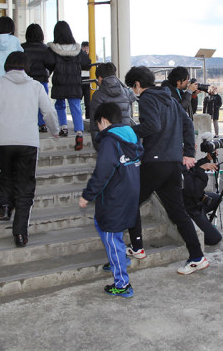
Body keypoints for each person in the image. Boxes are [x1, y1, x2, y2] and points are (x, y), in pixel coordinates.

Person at [124, 66, 209, 275]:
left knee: (130, 201)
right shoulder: (169, 98)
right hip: (172, 164)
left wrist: (127, 130)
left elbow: (151, 126)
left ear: (137, 84)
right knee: (178, 212)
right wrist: (188, 152)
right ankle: (197, 257)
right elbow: (188, 124)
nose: (133, 91)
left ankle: (137, 248)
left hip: (155, 163)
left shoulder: (146, 99)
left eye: (132, 87)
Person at [0, 51, 60, 247]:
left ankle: (4, 205)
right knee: (25, 186)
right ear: (26, 66)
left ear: (7, 65)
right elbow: (49, 111)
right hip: (27, 141)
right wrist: (55, 130)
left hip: (3, 140)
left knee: (6, 174)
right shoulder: (35, 86)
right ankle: (20, 233)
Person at [79, 102, 142, 298]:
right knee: (108, 229)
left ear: (104, 121)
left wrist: (87, 195)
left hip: (115, 196)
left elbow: (102, 173)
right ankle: (121, 259)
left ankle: (122, 284)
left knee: (110, 235)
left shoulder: (109, 141)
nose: (98, 128)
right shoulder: (131, 136)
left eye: (97, 124)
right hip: (129, 193)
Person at [45, 21, 91, 150]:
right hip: (74, 83)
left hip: (59, 82)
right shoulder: (77, 49)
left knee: (60, 105)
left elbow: (47, 62)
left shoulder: (53, 49)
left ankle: (63, 128)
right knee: (75, 106)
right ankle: (79, 132)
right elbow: (87, 63)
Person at [88, 62, 136, 148]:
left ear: (100, 78)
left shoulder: (98, 95)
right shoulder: (126, 92)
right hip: (125, 138)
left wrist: (97, 144)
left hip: (107, 140)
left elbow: (94, 124)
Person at [182, 150, 223, 246]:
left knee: (217, 198)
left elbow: (193, 168)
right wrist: (202, 170)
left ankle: (203, 220)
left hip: (198, 204)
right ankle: (197, 223)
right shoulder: (177, 165)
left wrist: (206, 159)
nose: (195, 146)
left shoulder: (185, 160)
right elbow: (194, 191)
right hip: (190, 209)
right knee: (215, 238)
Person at [21, 23, 52, 133]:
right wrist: (47, 74)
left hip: (26, 80)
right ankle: (42, 124)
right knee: (42, 104)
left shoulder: (22, 47)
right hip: (42, 79)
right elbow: (50, 64)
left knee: (27, 103)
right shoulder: (45, 48)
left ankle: (28, 123)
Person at [80, 41, 92, 121]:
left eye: (87, 48)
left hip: (88, 80)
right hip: (81, 80)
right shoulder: (79, 57)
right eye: (83, 47)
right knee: (77, 101)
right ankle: (79, 120)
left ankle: (88, 118)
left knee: (88, 103)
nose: (85, 49)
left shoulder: (92, 57)